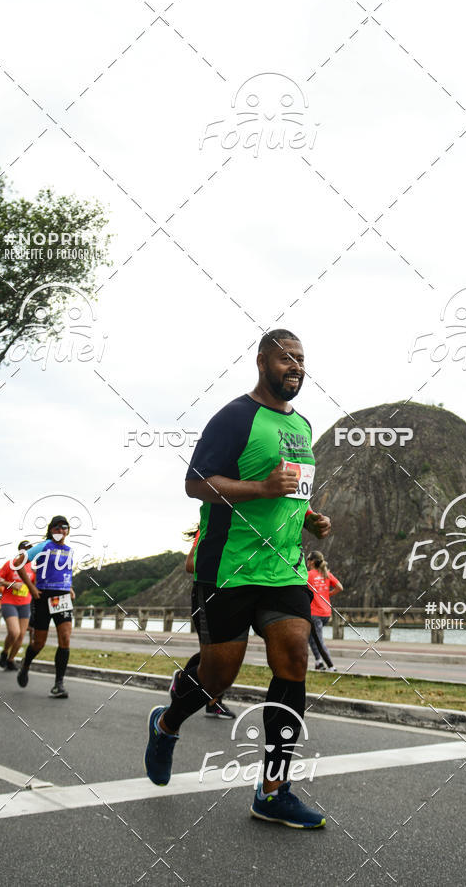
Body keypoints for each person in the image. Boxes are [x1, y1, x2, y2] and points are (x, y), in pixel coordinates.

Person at [144, 329, 331, 828]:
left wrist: (309, 518)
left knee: (294, 659)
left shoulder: (303, 425)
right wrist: (261, 488)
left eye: (301, 359)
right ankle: (166, 723)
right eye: (286, 358)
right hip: (229, 567)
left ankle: (272, 790)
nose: (296, 367)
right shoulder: (234, 417)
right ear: (262, 362)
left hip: (284, 567)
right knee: (217, 678)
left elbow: (291, 489)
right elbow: (196, 483)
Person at [172, 526, 236, 719]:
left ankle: (184, 681)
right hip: (209, 596)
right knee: (217, 656)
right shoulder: (212, 523)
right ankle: (200, 696)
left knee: (223, 655)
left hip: (235, 598)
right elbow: (190, 564)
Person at [15, 515, 76, 698]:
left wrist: (69, 588)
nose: (60, 530)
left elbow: (63, 572)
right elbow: (18, 563)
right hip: (43, 596)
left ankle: (59, 684)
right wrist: (31, 587)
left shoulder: (69, 550)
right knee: (39, 643)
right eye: (57, 527)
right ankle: (26, 665)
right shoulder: (43, 546)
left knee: (65, 638)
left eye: (64, 527)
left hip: (62, 598)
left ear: (68, 531)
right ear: (51, 530)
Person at [0, 541, 35, 671]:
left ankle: (11, 660)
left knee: (21, 635)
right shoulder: (10, 564)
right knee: (14, 632)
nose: (27, 551)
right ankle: (4, 652)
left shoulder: (33, 567)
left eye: (29, 549)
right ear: (19, 550)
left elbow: (35, 585)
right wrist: (12, 584)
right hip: (9, 602)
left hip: (25, 603)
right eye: (24, 549)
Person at [306, 551, 342, 671]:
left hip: (314, 613)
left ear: (312, 561)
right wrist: (327, 594)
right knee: (311, 638)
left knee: (319, 641)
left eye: (308, 559)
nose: (307, 561)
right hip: (326, 613)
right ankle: (319, 662)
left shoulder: (308, 575)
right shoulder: (326, 574)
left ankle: (331, 666)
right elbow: (340, 587)